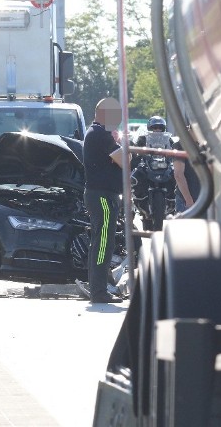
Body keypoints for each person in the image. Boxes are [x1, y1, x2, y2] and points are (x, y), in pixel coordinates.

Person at [82, 97, 130, 304]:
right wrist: (122, 144)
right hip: (102, 195)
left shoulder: (97, 133)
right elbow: (125, 161)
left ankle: (97, 288)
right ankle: (99, 292)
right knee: (103, 244)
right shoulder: (100, 134)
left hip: (99, 194)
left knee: (100, 243)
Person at [173, 124, 202, 213]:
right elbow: (178, 175)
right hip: (188, 201)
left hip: (203, 199)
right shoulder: (180, 146)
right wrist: (189, 200)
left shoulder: (202, 146)